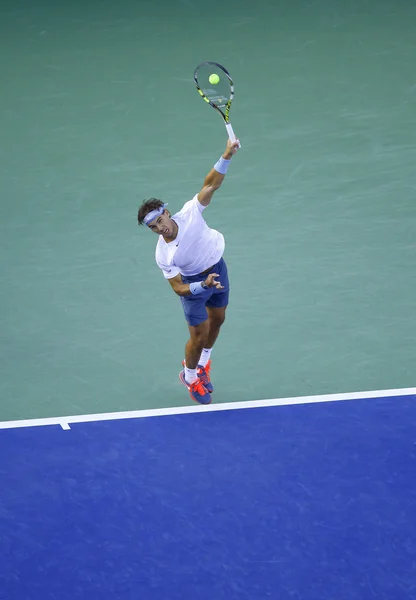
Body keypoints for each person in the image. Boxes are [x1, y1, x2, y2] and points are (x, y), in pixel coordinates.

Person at [137, 138, 240, 405]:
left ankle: (204, 364)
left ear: (167, 213)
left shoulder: (191, 213)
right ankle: (191, 376)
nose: (161, 228)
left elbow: (211, 184)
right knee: (198, 336)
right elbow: (178, 288)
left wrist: (227, 154)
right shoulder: (163, 254)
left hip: (218, 267)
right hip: (196, 286)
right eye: (154, 227)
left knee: (218, 320)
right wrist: (202, 286)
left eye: (160, 220)